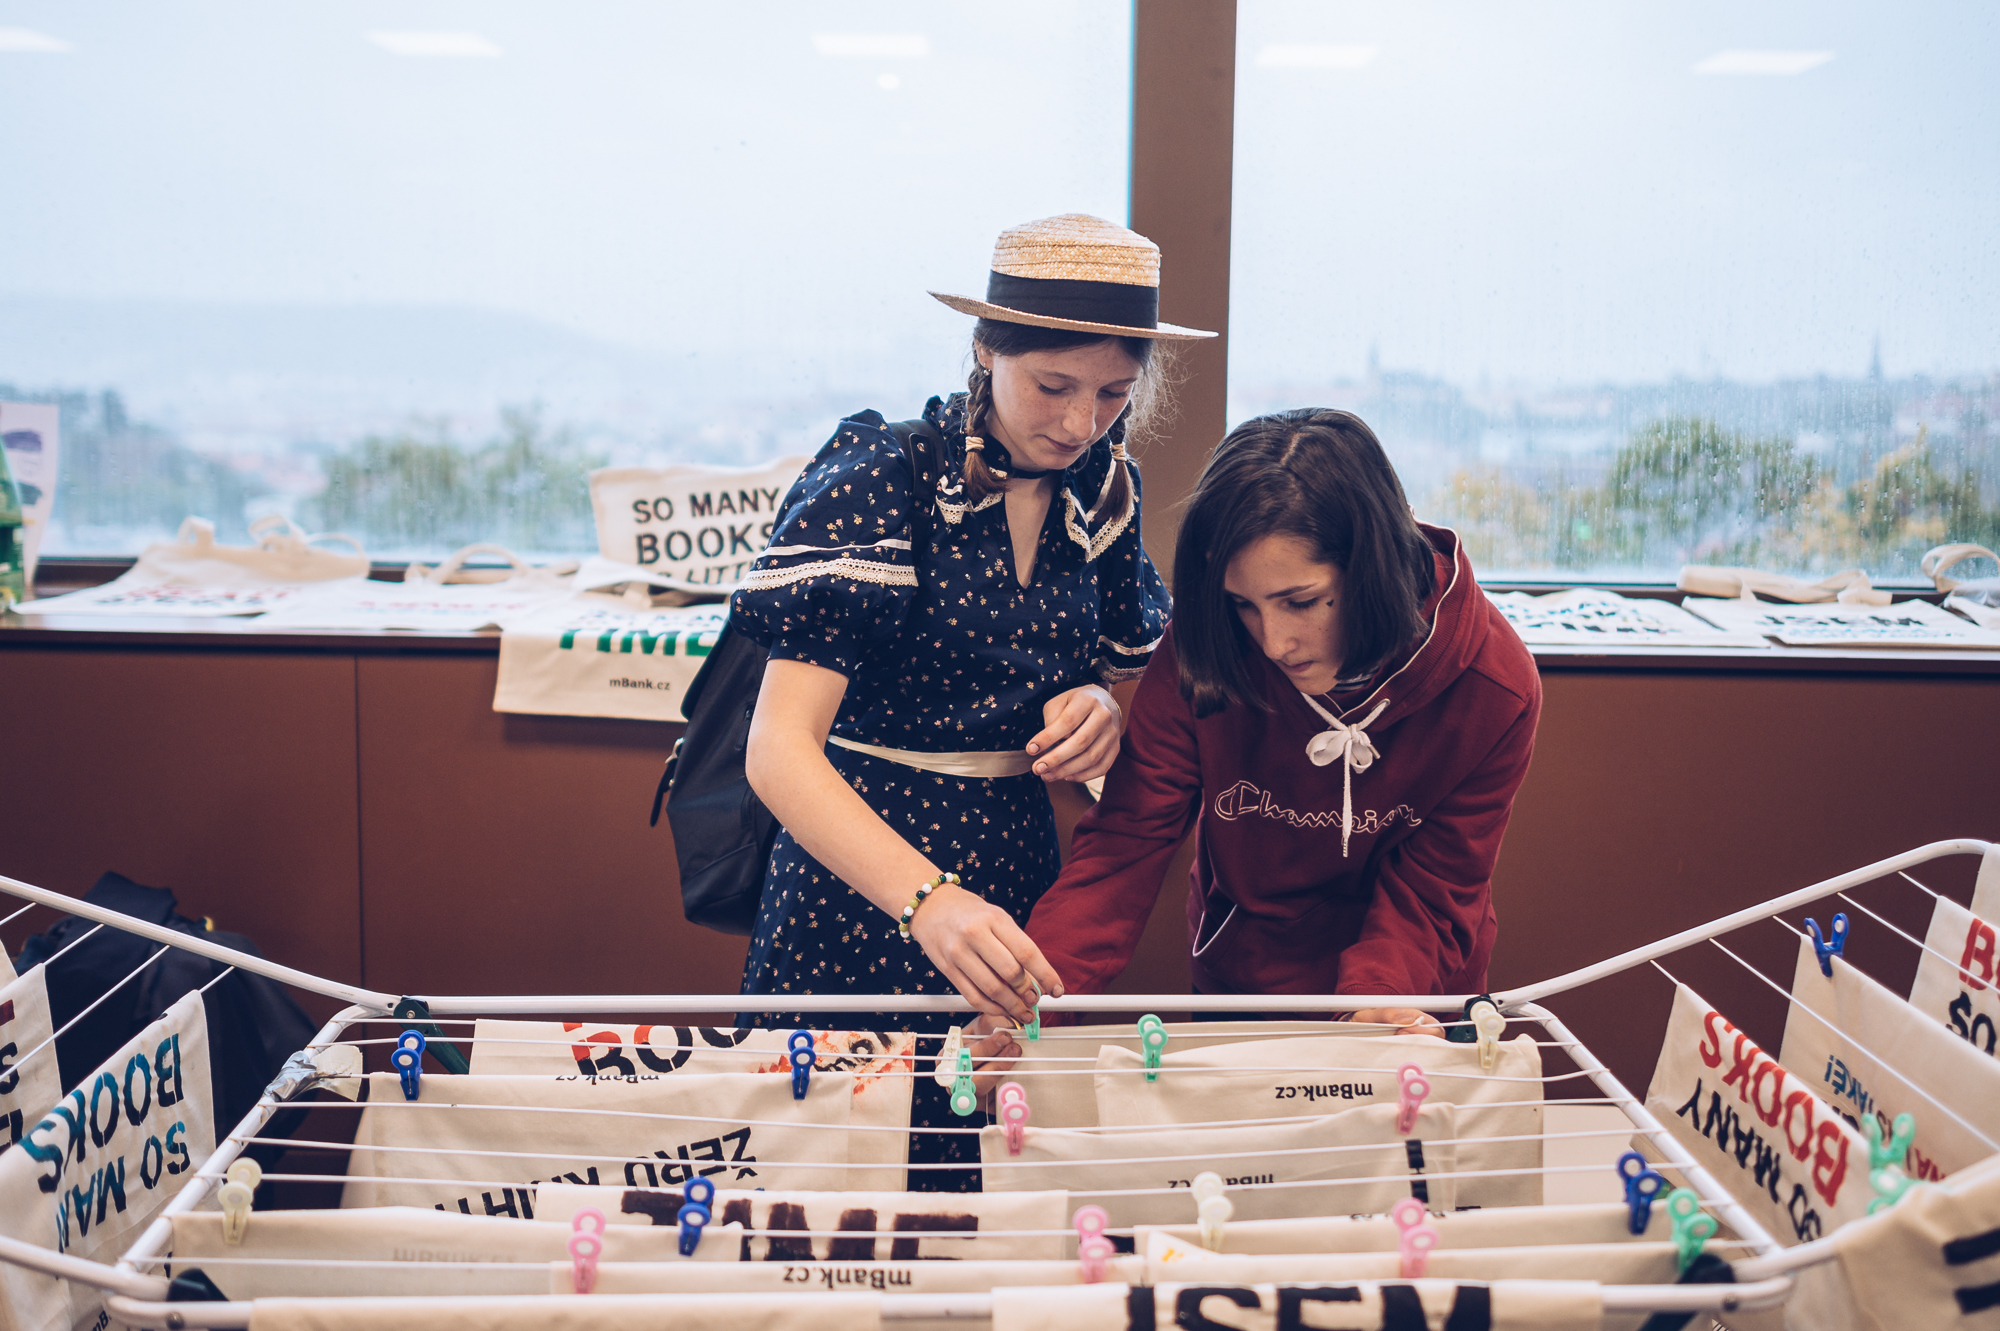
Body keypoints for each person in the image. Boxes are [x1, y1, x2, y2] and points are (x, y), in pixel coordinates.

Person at [728, 214, 1211, 1182]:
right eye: (1053, 386)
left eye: (1113, 394)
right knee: (825, 1171)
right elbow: (776, 748)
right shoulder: (886, 475)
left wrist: (1099, 711)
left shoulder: (1102, 491)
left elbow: (1121, 677)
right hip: (859, 876)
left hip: (1014, 870)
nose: (1079, 423)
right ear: (986, 349)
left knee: (983, 1167)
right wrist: (927, 900)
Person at [1025, 409, 1541, 1035]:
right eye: (1243, 605)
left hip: (1408, 992)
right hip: (1243, 985)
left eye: (1301, 602)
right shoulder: (1208, 646)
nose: (1273, 643)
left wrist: (1376, 998)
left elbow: (1435, 887)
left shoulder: (1494, 685)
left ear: (1373, 567)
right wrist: (1032, 1001)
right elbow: (1125, 845)